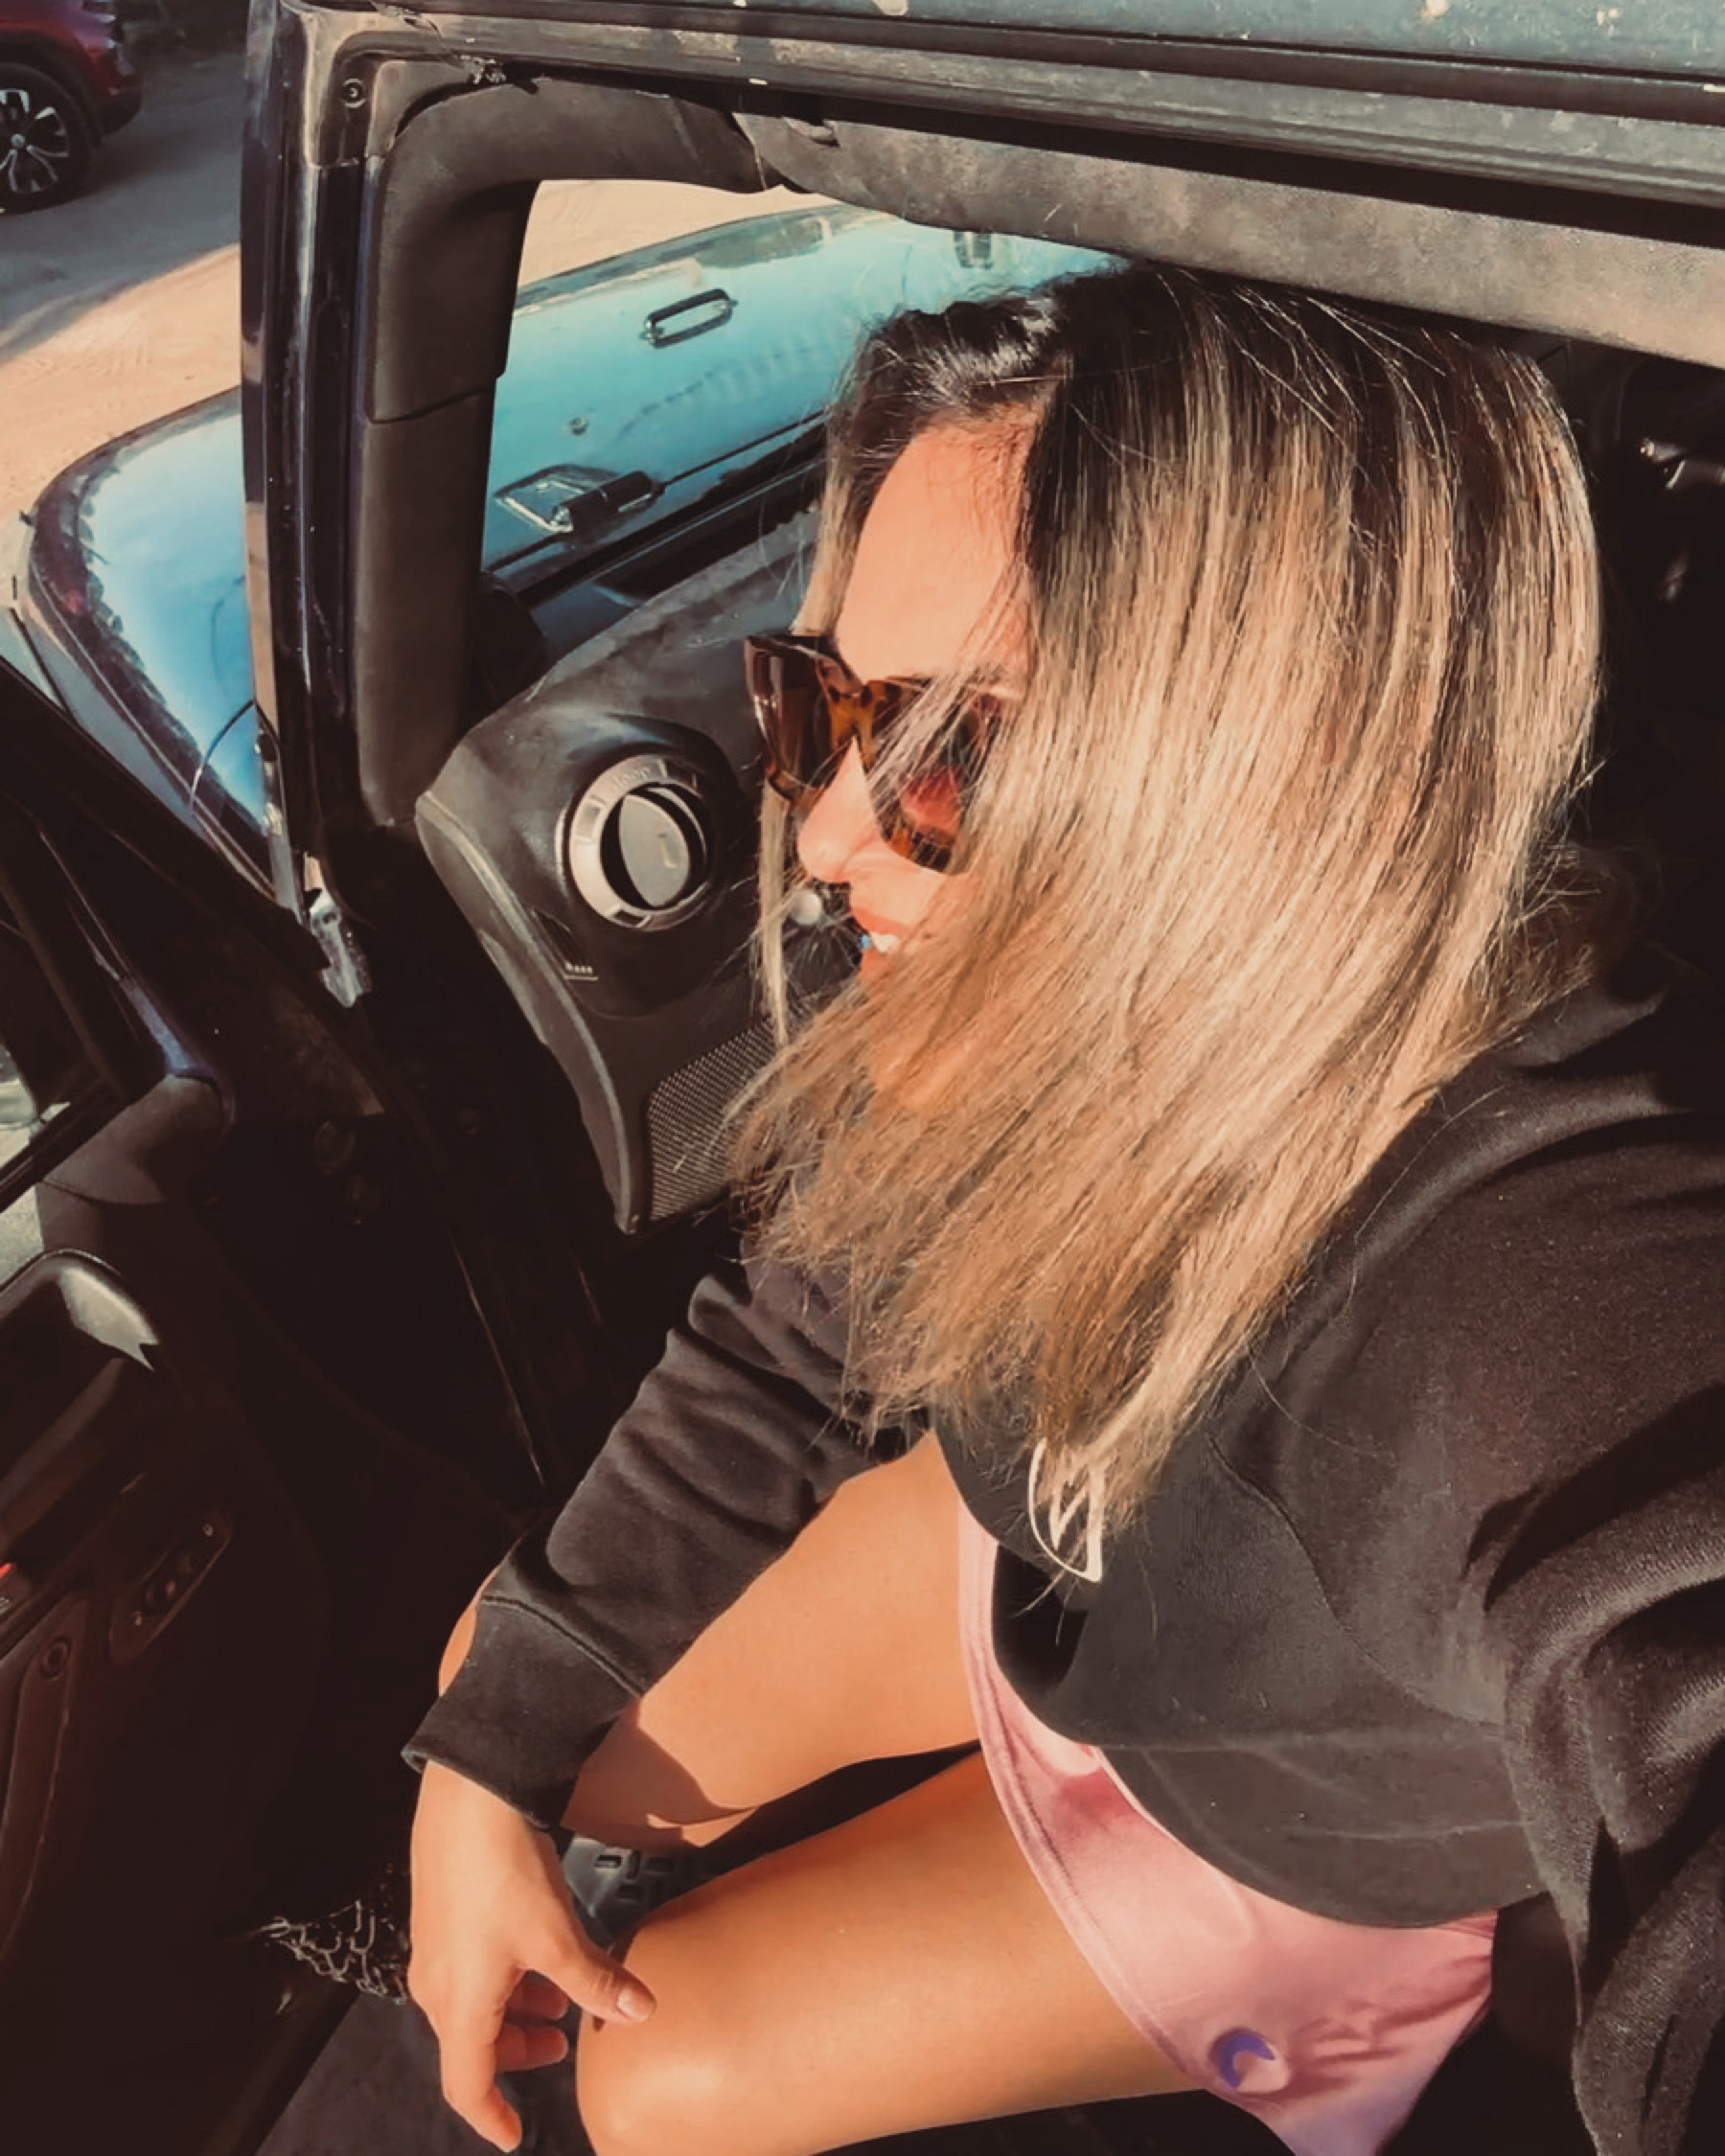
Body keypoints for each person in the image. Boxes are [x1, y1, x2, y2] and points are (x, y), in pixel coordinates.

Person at [404, 265, 1725, 2156]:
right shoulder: (1013, 1021)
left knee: (645, 2086)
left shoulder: (1538, 1264)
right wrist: (485, 1761)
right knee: (494, 1689)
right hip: (1050, 1576)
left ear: (1277, 775)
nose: (829, 835)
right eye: (819, 709)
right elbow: (798, 1323)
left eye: (951, 749)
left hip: (1297, 1847)